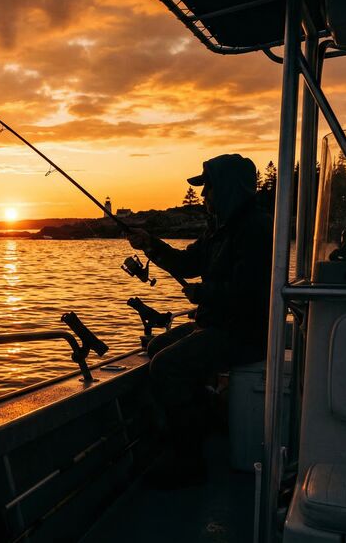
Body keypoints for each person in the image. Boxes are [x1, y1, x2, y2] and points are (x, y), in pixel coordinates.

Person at [128, 153, 273, 489]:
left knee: (167, 367)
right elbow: (187, 263)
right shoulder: (219, 230)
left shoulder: (256, 228)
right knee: (158, 346)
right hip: (219, 323)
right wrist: (151, 245)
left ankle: (189, 461)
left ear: (227, 188)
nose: (204, 195)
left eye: (208, 188)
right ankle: (205, 413)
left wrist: (204, 294)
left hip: (244, 332)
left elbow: (248, 291)